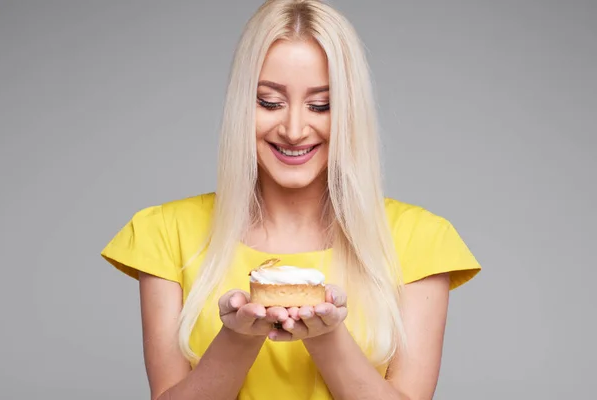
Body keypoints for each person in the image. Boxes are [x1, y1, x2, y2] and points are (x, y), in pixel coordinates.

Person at [100, 0, 481, 399]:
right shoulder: (165, 232)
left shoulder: (420, 240)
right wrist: (238, 338)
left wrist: (326, 337)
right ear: (241, 105)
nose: (295, 129)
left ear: (351, 112)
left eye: (321, 105)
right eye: (269, 102)